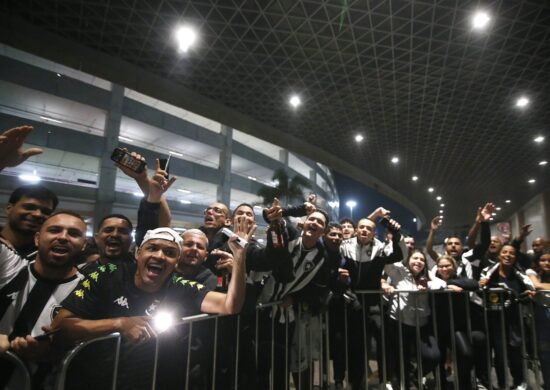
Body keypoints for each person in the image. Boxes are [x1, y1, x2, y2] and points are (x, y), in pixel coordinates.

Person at [51, 226, 250, 389]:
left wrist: (240, 257)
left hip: (144, 380)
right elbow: (60, 326)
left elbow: (229, 305)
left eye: (170, 253)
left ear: (176, 262)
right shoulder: (106, 273)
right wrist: (119, 324)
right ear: (138, 253)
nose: (160, 256)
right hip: (90, 379)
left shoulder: (180, 285)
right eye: (152, 248)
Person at [0, 211, 87, 388]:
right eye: (55, 230)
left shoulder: (88, 291)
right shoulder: (9, 266)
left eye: (74, 233)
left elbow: (84, 353)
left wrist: (46, 353)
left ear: (84, 245)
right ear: (37, 239)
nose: (63, 237)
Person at [382, 249, 446, 389]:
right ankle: (407, 383)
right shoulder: (400, 272)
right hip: (399, 322)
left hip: (421, 324)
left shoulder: (427, 276)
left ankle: (415, 376)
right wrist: (384, 284)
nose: (418, 261)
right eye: (415, 258)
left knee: (433, 356)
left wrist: (427, 286)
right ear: (408, 260)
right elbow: (385, 265)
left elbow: (442, 283)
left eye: (422, 259)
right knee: (401, 359)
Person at [480, 245, 534, 390]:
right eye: (504, 252)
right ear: (499, 255)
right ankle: (502, 384)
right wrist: (482, 284)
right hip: (495, 321)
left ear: (515, 257)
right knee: (499, 355)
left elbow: (527, 293)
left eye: (511, 253)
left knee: (516, 353)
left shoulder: (520, 275)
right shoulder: (488, 274)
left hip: (515, 321)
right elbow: (480, 291)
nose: (508, 255)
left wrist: (529, 294)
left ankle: (519, 383)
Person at [433, 255, 485, 390]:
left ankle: (464, 385)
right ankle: (441, 385)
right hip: (435, 326)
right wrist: (445, 285)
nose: (444, 269)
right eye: (441, 266)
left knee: (466, 354)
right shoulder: (432, 280)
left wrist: (451, 284)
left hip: (455, 327)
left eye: (447, 266)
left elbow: (474, 284)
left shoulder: (459, 279)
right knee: (439, 359)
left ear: (454, 267)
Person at [1, 185, 59, 258]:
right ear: (9, 208)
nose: (37, 214)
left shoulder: (47, 254)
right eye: (29, 207)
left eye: (45, 212)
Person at [526, 248, 550, 389]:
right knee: (545, 353)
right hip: (543, 317)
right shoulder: (531, 272)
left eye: (549, 260)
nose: (546, 263)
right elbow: (538, 285)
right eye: (543, 260)